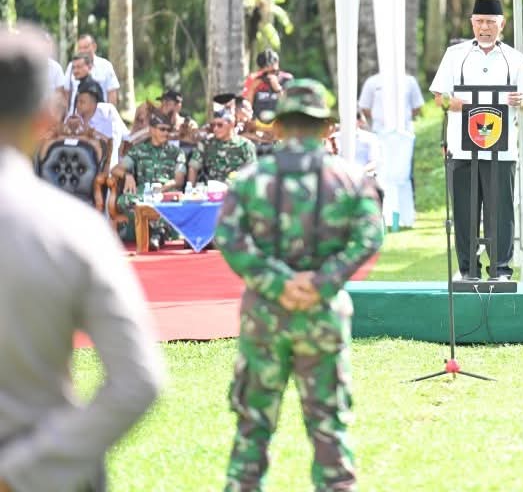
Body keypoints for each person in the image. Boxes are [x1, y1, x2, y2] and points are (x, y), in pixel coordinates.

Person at [0, 32, 162, 492]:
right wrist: (25, 469)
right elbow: (137, 382)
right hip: (48, 472)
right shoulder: (76, 230)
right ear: (46, 120)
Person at [216, 79, 383, 492]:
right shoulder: (349, 178)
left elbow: (229, 238)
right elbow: (370, 235)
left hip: (264, 318)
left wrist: (276, 282)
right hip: (322, 317)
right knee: (329, 426)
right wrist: (323, 281)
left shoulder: (249, 179)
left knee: (253, 427)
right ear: (325, 129)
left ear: (278, 127)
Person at [429, 0, 523, 281]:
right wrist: (457, 104)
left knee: (500, 211)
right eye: (479, 21)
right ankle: (468, 269)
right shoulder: (456, 54)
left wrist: (521, 101)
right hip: (462, 145)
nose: (485, 27)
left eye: (491, 22)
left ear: (502, 24)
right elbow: (439, 97)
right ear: (472, 23)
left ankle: (500, 269)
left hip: (501, 148)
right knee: (464, 212)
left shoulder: (513, 57)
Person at [112, 112, 187, 250]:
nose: (166, 133)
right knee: (124, 200)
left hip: (167, 191)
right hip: (144, 192)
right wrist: (128, 175)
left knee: (172, 202)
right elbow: (116, 170)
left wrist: (164, 187)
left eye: (168, 130)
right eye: (162, 129)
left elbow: (179, 180)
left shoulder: (176, 152)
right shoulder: (139, 150)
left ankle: (155, 233)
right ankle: (156, 232)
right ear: (152, 130)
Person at [187, 107, 257, 184]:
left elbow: (252, 171)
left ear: (231, 124)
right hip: (211, 188)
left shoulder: (245, 145)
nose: (215, 129)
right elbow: (193, 167)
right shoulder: (206, 143)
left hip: (235, 189)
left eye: (220, 125)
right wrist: (190, 188)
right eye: (213, 125)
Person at [69, 78, 130, 166]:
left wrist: (85, 129)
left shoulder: (107, 113)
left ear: (93, 103)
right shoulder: (74, 116)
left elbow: (112, 144)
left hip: (106, 168)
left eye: (82, 102)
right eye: (77, 101)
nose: (78, 105)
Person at [358, 70, 424, 134]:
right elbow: (365, 107)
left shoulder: (410, 81)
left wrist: (402, 117)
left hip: (406, 131)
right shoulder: (372, 81)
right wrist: (380, 117)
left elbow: (417, 106)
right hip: (379, 131)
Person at [63, 33, 120, 106]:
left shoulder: (106, 65)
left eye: (86, 47)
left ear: (94, 47)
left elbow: (112, 93)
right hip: (76, 115)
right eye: (80, 48)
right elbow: (66, 93)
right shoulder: (71, 66)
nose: (83, 51)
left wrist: (109, 115)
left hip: (99, 114)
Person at [243, 49, 294, 123]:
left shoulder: (286, 79)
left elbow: (290, 106)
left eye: (273, 71)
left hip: (280, 123)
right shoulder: (253, 79)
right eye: (266, 73)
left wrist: (277, 88)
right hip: (258, 123)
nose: (269, 75)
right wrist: (252, 89)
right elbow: (246, 107)